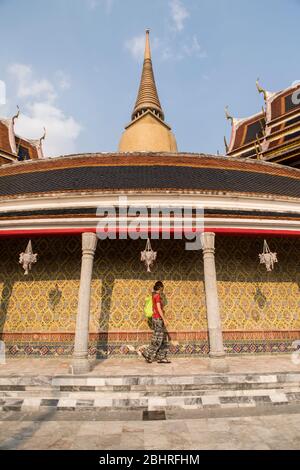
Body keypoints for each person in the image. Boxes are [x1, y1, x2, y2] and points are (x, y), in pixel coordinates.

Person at [141, 281, 171, 364]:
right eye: (162, 288)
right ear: (160, 287)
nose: (163, 290)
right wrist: (164, 319)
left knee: (162, 338)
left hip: (155, 319)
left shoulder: (153, 295)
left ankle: (161, 357)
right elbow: (158, 308)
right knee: (158, 338)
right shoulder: (157, 296)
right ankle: (147, 354)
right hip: (158, 319)